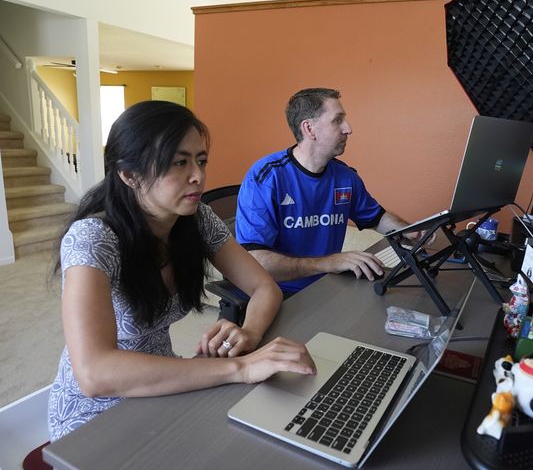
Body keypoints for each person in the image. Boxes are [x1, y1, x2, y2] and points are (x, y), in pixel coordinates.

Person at [48, 101, 315, 444]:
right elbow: (94, 373)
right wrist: (241, 367)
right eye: (179, 162)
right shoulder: (93, 239)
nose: (198, 176)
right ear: (129, 175)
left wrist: (249, 333)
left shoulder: (197, 219)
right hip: (94, 417)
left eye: (200, 160)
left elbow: (265, 287)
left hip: (166, 385)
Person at [236, 88, 421, 296]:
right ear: (309, 128)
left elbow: (376, 218)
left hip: (328, 285)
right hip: (277, 294)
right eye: (337, 120)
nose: (348, 129)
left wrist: (410, 230)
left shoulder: (345, 177)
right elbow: (254, 261)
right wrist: (328, 263)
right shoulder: (266, 177)